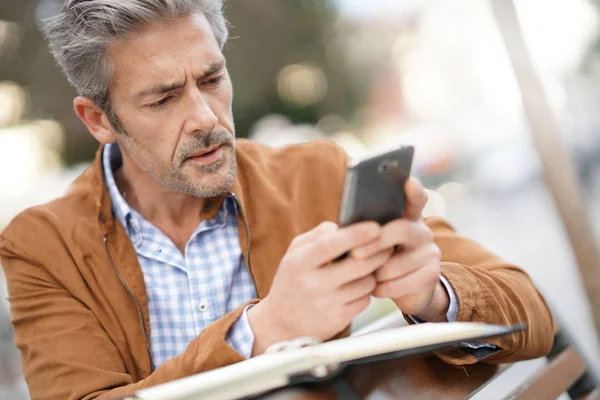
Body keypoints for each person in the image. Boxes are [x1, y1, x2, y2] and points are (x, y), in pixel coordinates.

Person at [0, 1, 554, 399]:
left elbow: (532, 312)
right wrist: (265, 330)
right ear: (98, 120)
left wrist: (432, 295)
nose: (205, 118)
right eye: (163, 98)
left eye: (212, 78)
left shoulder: (315, 173)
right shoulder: (42, 245)